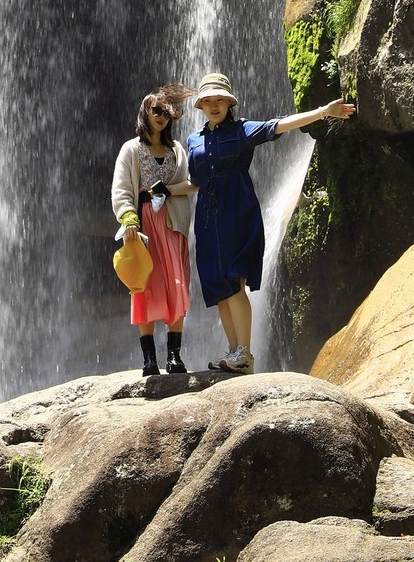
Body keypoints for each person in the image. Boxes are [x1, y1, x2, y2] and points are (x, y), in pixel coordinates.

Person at [188, 71, 354, 376]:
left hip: (237, 212)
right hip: (207, 218)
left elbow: (280, 124)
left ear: (229, 103)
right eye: (208, 100)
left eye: (220, 100)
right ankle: (234, 352)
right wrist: (160, 192)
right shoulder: (193, 140)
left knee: (234, 280)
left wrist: (322, 112)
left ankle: (245, 354)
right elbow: (194, 182)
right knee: (218, 287)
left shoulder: (241, 131)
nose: (214, 105)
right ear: (200, 105)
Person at [112, 84, 196, 378]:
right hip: (145, 226)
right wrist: (129, 220)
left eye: (166, 111)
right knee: (144, 286)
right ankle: (149, 359)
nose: (161, 116)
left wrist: (169, 190)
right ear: (145, 114)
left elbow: (192, 184)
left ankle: (174, 357)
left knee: (176, 286)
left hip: (173, 225)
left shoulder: (177, 150)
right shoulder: (131, 149)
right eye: (155, 110)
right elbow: (121, 189)